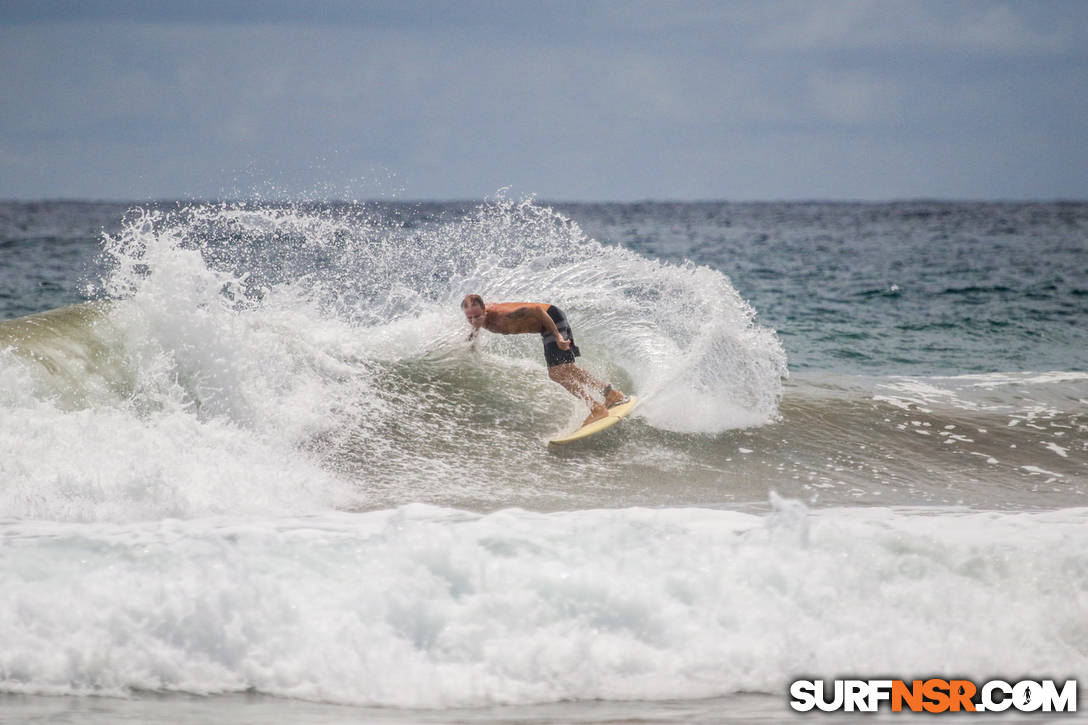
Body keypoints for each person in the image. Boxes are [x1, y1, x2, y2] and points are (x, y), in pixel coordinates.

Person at [461, 294, 628, 425]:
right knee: (567, 369)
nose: (474, 321)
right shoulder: (479, 318)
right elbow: (475, 323)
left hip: (551, 320)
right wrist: (472, 339)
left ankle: (596, 409)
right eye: (470, 318)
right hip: (546, 325)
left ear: (484, 310)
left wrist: (558, 337)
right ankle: (612, 394)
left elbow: (537, 310)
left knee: (556, 373)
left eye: (477, 316)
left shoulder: (504, 315)